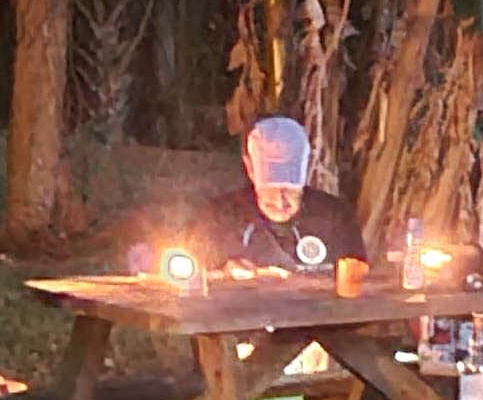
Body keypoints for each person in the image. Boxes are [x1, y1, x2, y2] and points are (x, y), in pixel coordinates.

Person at [130, 116, 363, 278]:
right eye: (271, 189)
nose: (281, 201)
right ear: (251, 170)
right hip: (242, 332)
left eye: (290, 190)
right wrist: (224, 272)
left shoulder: (334, 216)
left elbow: (358, 274)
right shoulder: (220, 217)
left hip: (320, 326)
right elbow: (191, 275)